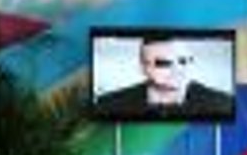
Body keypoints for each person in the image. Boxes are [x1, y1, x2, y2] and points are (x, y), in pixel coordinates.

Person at [94, 33, 232, 118]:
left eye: (183, 61)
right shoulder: (109, 105)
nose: (178, 69)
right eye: (164, 63)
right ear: (143, 68)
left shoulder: (222, 104)